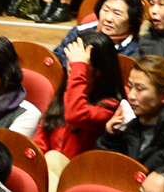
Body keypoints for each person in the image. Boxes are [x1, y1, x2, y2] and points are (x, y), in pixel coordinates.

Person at [35, 32, 122, 162]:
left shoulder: (110, 106)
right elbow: (42, 136)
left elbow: (75, 115)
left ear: (99, 70)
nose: (71, 65)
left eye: (81, 62)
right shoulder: (65, 92)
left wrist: (78, 68)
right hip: (50, 170)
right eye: (71, 59)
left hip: (79, 175)